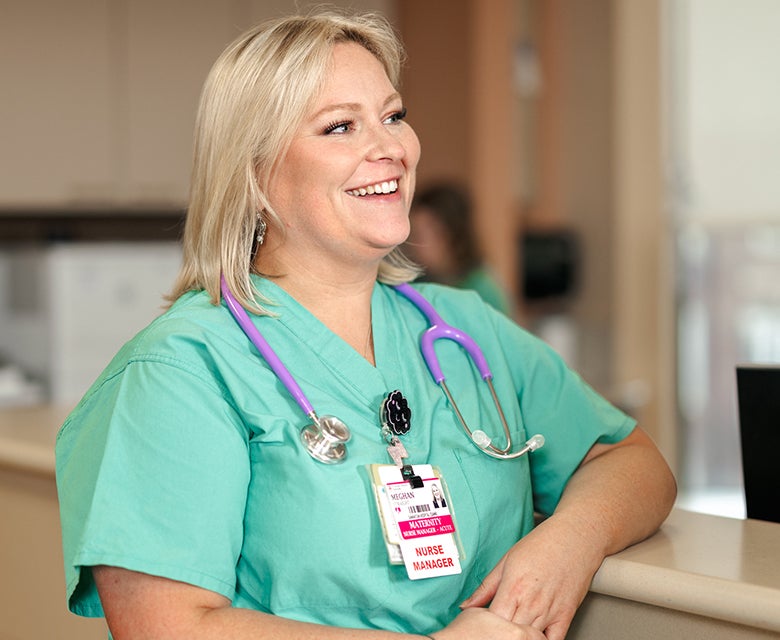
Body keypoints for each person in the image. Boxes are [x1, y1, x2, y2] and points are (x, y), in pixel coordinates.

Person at [55, 10, 676, 640]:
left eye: (394, 115)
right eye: (340, 126)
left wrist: (568, 541)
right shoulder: (181, 370)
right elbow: (167, 628)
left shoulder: (462, 328)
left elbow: (630, 460)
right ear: (254, 174)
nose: (391, 149)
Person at [406, 183, 511, 314]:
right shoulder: (418, 284)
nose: (414, 245)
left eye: (421, 235)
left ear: (452, 235)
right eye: (413, 234)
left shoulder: (481, 292)